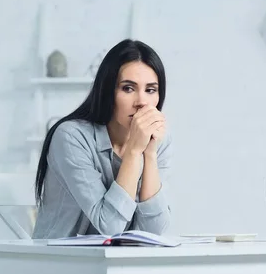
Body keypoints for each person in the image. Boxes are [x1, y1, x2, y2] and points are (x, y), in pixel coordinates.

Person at [31, 39, 173, 239]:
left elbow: (156, 233)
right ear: (108, 91)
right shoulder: (71, 137)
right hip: (59, 263)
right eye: (128, 88)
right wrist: (133, 152)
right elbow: (110, 228)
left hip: (117, 266)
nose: (142, 102)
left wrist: (149, 154)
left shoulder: (159, 141)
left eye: (150, 90)